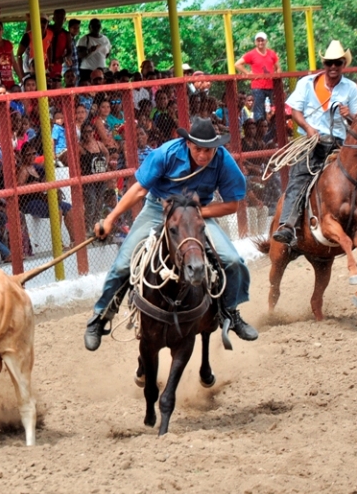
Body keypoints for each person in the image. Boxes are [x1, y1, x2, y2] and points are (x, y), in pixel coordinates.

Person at [84, 117, 258, 351]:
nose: (204, 155)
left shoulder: (224, 161)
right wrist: (110, 219)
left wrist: (193, 213)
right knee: (123, 264)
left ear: (216, 147)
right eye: (198, 149)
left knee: (233, 261)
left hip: (197, 215)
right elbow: (139, 190)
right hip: (158, 210)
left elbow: (232, 205)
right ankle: (100, 317)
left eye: (209, 150)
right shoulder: (165, 154)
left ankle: (231, 313)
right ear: (187, 144)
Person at [272, 40, 357, 248]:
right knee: (299, 177)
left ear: (343, 64)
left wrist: (349, 115)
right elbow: (295, 111)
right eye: (330, 63)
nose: (333, 67)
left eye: (338, 63)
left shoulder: (351, 88)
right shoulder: (307, 84)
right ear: (324, 64)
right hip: (312, 143)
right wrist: (309, 128)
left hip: (339, 145)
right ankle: (287, 226)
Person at [235, 32, 281, 122]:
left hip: (270, 86)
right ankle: (260, 132)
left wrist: (276, 75)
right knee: (259, 112)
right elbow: (237, 64)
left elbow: (278, 67)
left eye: (262, 40)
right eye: (258, 40)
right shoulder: (252, 54)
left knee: (270, 111)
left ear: (266, 41)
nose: (260, 42)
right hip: (258, 87)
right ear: (255, 42)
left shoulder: (271, 54)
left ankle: (269, 131)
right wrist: (248, 73)